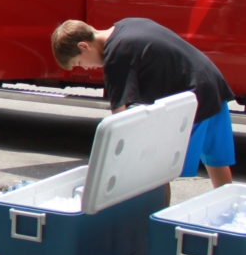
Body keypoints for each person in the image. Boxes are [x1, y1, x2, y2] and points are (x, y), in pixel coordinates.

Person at [52, 18, 236, 188]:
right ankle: (228, 209)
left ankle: (156, 220)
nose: (86, 68)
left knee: (156, 171)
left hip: (192, 98)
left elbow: (120, 119)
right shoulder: (125, 25)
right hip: (211, 82)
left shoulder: (116, 55)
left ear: (84, 46)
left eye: (79, 62)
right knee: (217, 161)